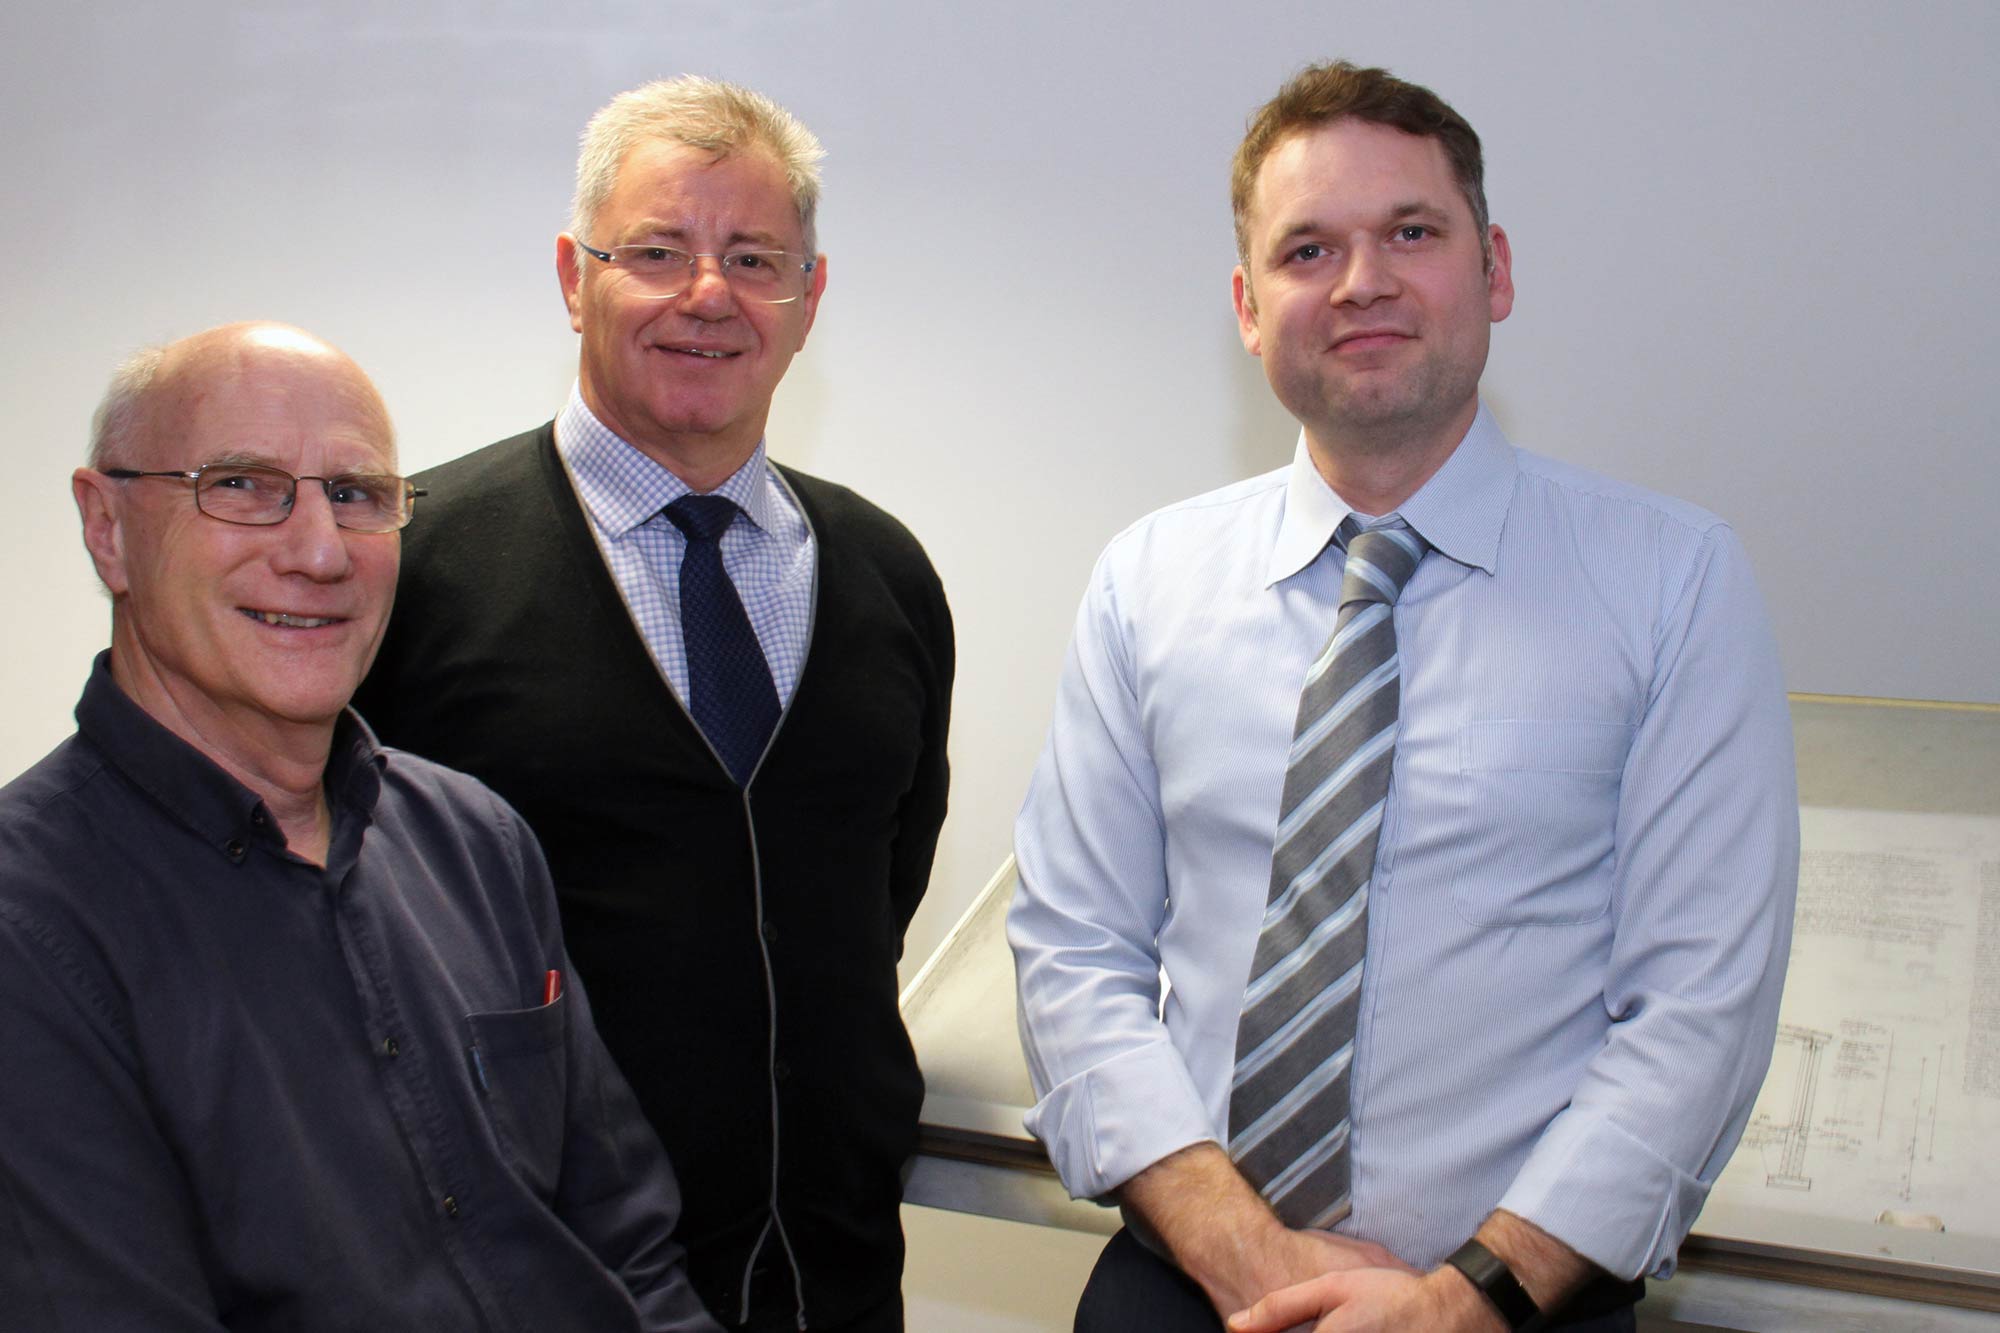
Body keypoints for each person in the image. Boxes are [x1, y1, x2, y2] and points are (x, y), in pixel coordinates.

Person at [1009, 61, 1798, 1333]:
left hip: (1519, 1301)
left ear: (1491, 270)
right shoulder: (1144, 582)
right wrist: (1251, 1261)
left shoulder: (1670, 582)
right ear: (1249, 307)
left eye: (1409, 234)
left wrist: (1467, 1296)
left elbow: (1697, 1008)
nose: (1360, 280)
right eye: (1307, 248)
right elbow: (1073, 952)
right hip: (1190, 1287)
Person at [354, 77, 953, 1333]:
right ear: (574, 276)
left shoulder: (887, 573)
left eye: (753, 258)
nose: (708, 294)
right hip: (522, 1283)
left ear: (808, 300)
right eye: (657, 252)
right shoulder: (410, 565)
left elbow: (872, 890)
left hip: (836, 1279)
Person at [0, 322, 719, 1332]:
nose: (318, 551)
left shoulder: (475, 842)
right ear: (107, 524)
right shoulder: (30, 932)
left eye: (356, 494)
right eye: (241, 485)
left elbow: (632, 1250)